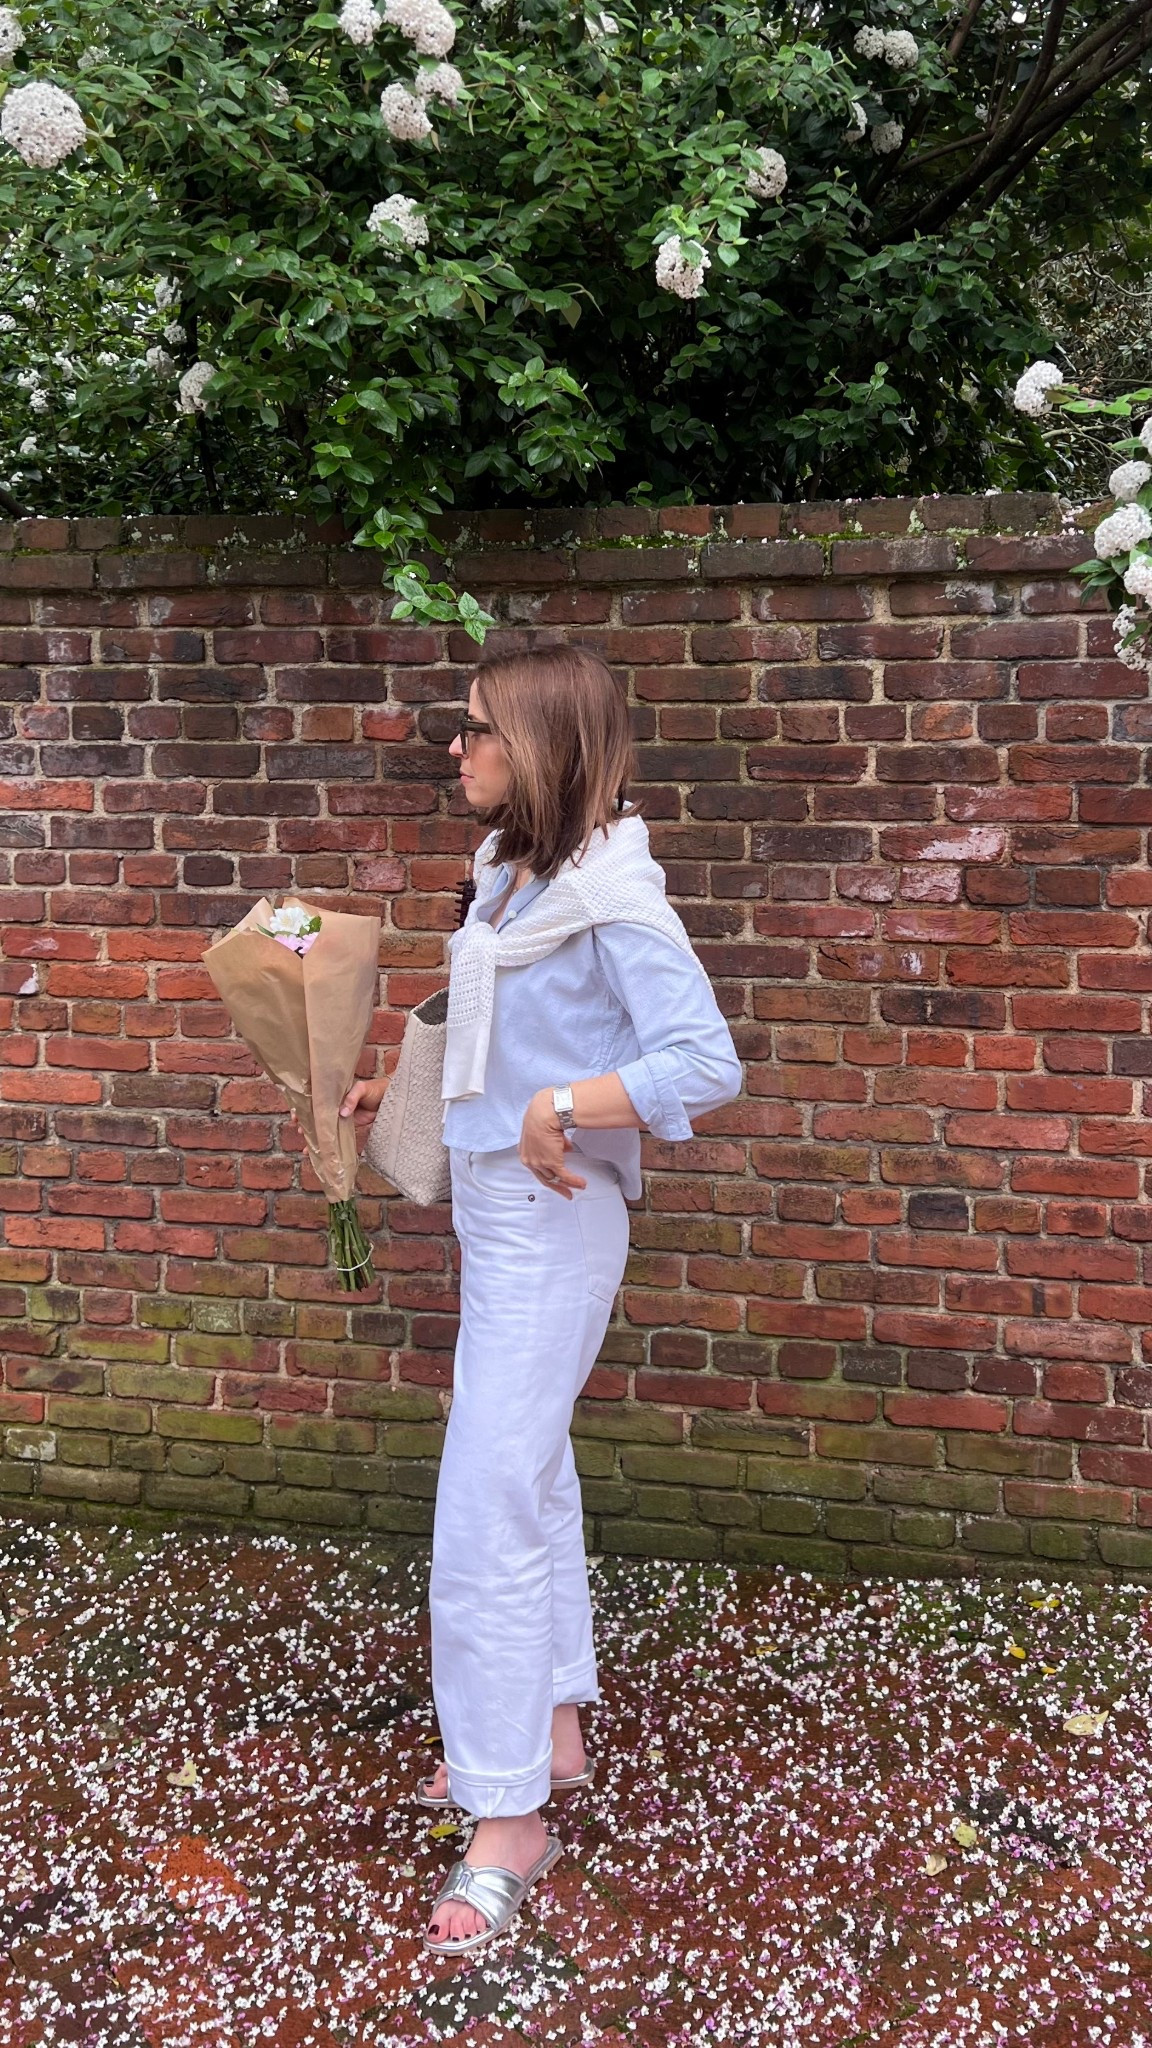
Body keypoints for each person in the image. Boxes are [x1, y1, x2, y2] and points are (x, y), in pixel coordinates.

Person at [340, 645, 742, 1957]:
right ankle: (549, 1730)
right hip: (490, 1216)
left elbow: (704, 1058)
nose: (452, 753)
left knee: (484, 1506)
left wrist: (566, 1106)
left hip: (556, 1226)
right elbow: (493, 1020)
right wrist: (397, 1095)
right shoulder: (507, 872)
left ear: (539, 745)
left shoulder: (614, 893)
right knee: (531, 1474)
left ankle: (510, 1818)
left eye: (473, 734)